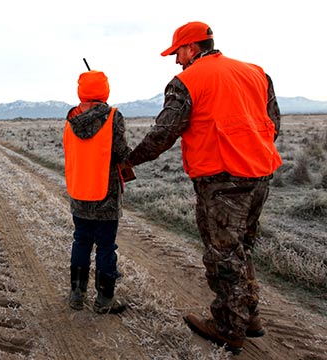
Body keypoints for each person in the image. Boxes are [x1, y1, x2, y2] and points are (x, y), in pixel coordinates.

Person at [125, 21, 282, 354]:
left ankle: (228, 327)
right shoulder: (257, 73)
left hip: (222, 181)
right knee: (242, 248)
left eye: (178, 52)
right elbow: (274, 123)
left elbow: (163, 134)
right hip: (260, 174)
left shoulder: (187, 81)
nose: (176, 60)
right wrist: (253, 152)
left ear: (192, 48)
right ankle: (249, 316)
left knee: (223, 254)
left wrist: (129, 160)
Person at [63, 69, 132, 314]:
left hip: (79, 189)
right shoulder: (114, 116)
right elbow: (122, 153)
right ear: (105, 90)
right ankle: (104, 301)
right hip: (107, 194)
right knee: (105, 246)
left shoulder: (70, 119)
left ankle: (76, 295)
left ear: (81, 91)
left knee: (81, 241)